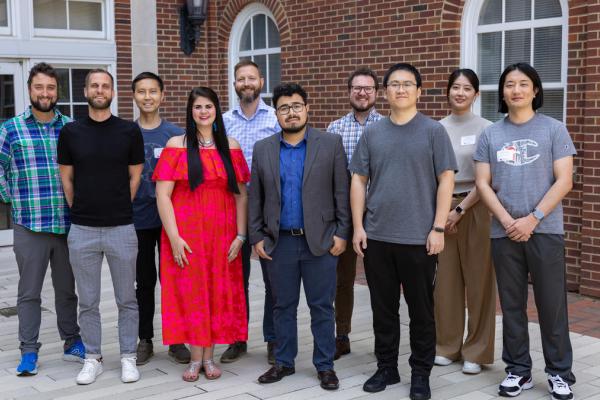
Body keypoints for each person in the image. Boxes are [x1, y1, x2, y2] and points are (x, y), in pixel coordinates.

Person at [350, 63, 457, 400]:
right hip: (378, 236)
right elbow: (358, 180)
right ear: (385, 91)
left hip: (419, 238)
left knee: (421, 310)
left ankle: (420, 373)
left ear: (419, 91)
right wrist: (357, 226)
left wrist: (438, 226)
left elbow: (447, 180)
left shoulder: (433, 131)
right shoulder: (373, 132)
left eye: (407, 84)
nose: (400, 90)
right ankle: (387, 367)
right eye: (394, 84)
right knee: (383, 308)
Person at [474, 62, 576, 400]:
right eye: (509, 84)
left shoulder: (553, 129)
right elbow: (483, 184)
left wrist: (533, 218)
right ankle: (518, 370)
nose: (515, 90)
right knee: (512, 304)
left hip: (545, 231)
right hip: (504, 232)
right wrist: (506, 220)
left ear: (534, 90)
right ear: (502, 92)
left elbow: (565, 180)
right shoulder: (491, 134)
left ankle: (559, 372)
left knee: (551, 304)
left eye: (523, 83)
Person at [249, 83, 350, 390]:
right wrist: (256, 236)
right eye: (283, 108)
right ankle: (283, 362)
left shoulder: (330, 144)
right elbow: (256, 197)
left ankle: (324, 365)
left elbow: (341, 193)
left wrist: (342, 233)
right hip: (279, 243)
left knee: (322, 306)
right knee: (282, 305)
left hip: (319, 241)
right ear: (276, 114)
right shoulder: (264, 148)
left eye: (296, 106)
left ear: (307, 108)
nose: (290, 113)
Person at [154, 87, 249, 382]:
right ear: (190, 111)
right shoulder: (176, 145)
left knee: (217, 291)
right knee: (191, 293)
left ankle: (210, 357)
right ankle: (195, 358)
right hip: (186, 235)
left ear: (216, 111)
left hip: (223, 235)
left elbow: (241, 196)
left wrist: (241, 236)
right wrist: (174, 237)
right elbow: (163, 195)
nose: (203, 112)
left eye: (208, 106)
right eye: (198, 107)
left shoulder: (230, 146)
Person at [57, 69, 144, 385]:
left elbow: (135, 176)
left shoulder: (129, 131)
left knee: (127, 299)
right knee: (88, 300)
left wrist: (118, 204)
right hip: (82, 229)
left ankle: (128, 357)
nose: (100, 89)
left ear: (113, 91)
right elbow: (66, 179)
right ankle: (92, 357)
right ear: (85, 90)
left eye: (105, 85)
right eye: (94, 85)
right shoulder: (70, 132)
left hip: (121, 227)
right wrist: (82, 207)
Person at [0, 62, 84, 376]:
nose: (45, 93)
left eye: (50, 88)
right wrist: (10, 197)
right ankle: (28, 351)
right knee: (29, 292)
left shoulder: (72, 127)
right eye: (39, 87)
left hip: (66, 223)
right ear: (30, 90)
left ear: (56, 91)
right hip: (29, 224)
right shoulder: (11, 129)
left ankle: (71, 340)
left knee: (67, 288)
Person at [433, 69, 495, 375]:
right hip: (442, 206)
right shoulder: (435, 128)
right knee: (445, 282)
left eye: (466, 88)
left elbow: (490, 178)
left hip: (477, 206)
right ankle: (447, 346)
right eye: (455, 87)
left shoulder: (488, 129)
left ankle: (477, 350)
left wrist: (460, 211)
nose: (460, 92)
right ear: (448, 91)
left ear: (476, 94)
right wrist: (442, 213)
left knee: (479, 281)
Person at [221, 59, 280, 364]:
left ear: (261, 81)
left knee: (272, 276)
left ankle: (272, 338)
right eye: (241, 78)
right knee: (235, 276)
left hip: (268, 205)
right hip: (232, 206)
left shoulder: (274, 118)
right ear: (235, 84)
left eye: (251, 78)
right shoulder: (223, 121)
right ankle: (237, 337)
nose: (246, 83)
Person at [130, 71, 190, 365]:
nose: (148, 97)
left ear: (162, 95)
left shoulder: (176, 135)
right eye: (141, 91)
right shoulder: (126, 133)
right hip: (138, 219)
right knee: (144, 281)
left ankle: (177, 339)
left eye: (153, 91)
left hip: (172, 221)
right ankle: (145, 339)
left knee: (174, 279)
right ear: (134, 96)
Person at [327, 66, 382, 360]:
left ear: (377, 93)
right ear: (349, 92)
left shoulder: (387, 126)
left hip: (380, 216)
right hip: (345, 217)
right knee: (342, 280)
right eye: (357, 88)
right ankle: (342, 335)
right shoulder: (335, 128)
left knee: (381, 282)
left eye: (368, 88)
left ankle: (383, 338)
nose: (362, 92)